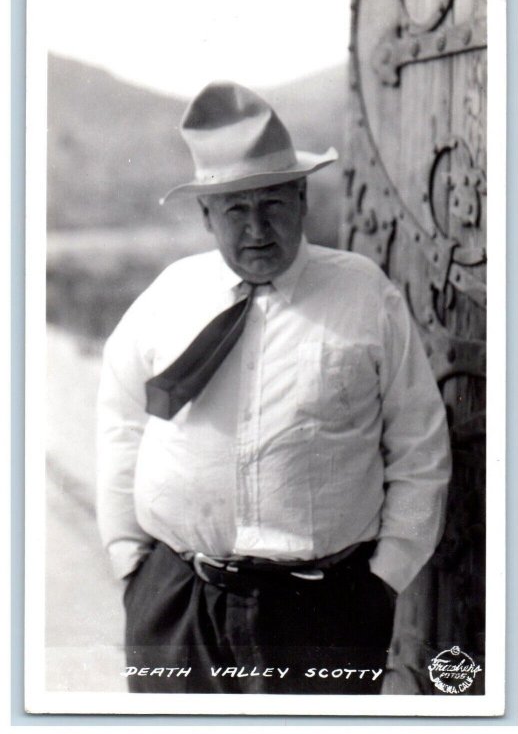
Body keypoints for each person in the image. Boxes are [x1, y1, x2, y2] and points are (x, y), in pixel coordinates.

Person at [96, 81, 451, 695]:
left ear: (303, 199)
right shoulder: (168, 298)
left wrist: (385, 579)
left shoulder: (365, 297)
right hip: (179, 606)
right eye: (235, 210)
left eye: (273, 205)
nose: (256, 228)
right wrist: (131, 564)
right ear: (207, 216)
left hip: (324, 612)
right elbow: (123, 421)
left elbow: (419, 447)